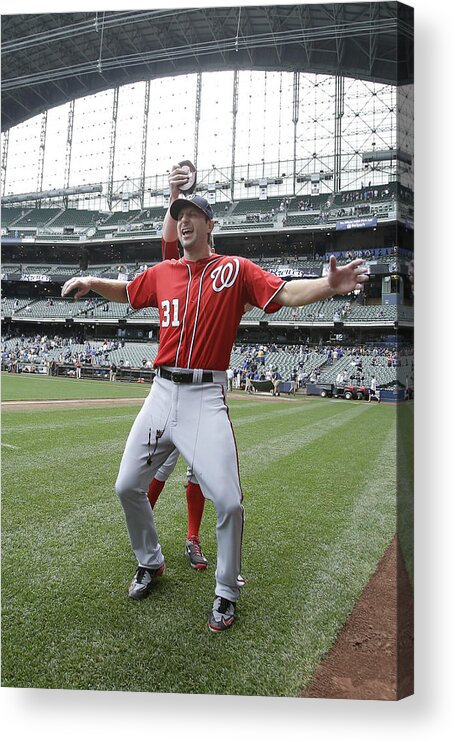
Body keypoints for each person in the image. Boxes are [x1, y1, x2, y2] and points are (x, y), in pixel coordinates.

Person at [62, 165, 368, 633]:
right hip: (161, 392)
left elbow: (284, 293)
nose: (183, 219)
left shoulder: (234, 269)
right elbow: (128, 292)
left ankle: (226, 592)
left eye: (192, 214)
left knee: (228, 501)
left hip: (205, 396)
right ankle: (152, 561)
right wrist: (92, 283)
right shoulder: (164, 272)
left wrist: (329, 285)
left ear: (210, 224)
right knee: (127, 486)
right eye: (178, 214)